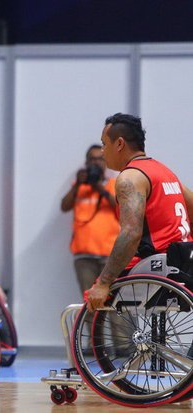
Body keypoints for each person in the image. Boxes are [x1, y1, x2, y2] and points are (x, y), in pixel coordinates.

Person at [87, 113, 193, 312]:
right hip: (184, 258)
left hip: (156, 263)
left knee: (93, 296)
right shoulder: (163, 171)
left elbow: (131, 234)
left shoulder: (130, 177)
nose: (103, 151)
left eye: (104, 144)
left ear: (119, 144)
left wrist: (103, 282)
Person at [61, 144, 119, 297]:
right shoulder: (80, 187)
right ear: (86, 163)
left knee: (114, 305)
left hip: (110, 256)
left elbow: (119, 209)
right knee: (90, 305)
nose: (96, 163)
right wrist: (78, 184)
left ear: (106, 162)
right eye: (92, 159)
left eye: (100, 159)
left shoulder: (114, 185)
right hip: (84, 257)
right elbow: (64, 206)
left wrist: (100, 187)